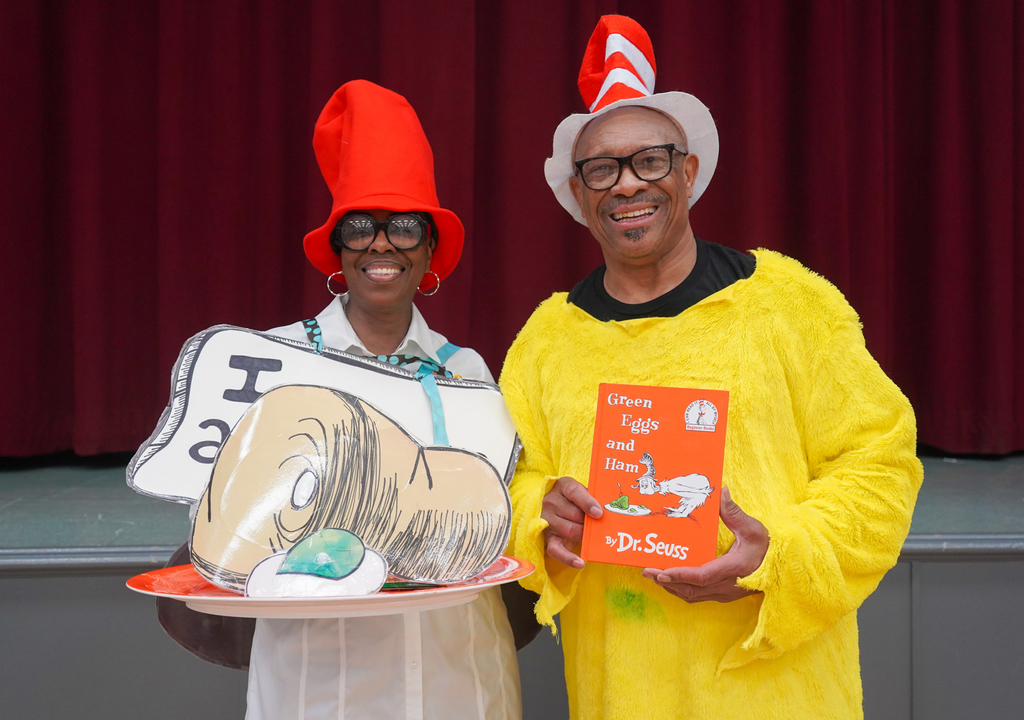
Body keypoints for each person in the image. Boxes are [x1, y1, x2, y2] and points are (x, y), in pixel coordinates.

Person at [499, 15, 923, 720]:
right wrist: (540, 514)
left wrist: (778, 558)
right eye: (601, 169)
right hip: (619, 692)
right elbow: (508, 482)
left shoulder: (789, 304)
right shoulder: (547, 339)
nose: (627, 185)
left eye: (650, 160)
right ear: (578, 194)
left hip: (779, 695)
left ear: (688, 171)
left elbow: (879, 461)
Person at [248, 79, 521, 720]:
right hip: (321, 685)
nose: (380, 243)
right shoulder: (278, 360)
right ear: (337, 249)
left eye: (403, 226)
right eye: (361, 227)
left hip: (461, 676)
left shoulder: (467, 371)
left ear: (428, 249)